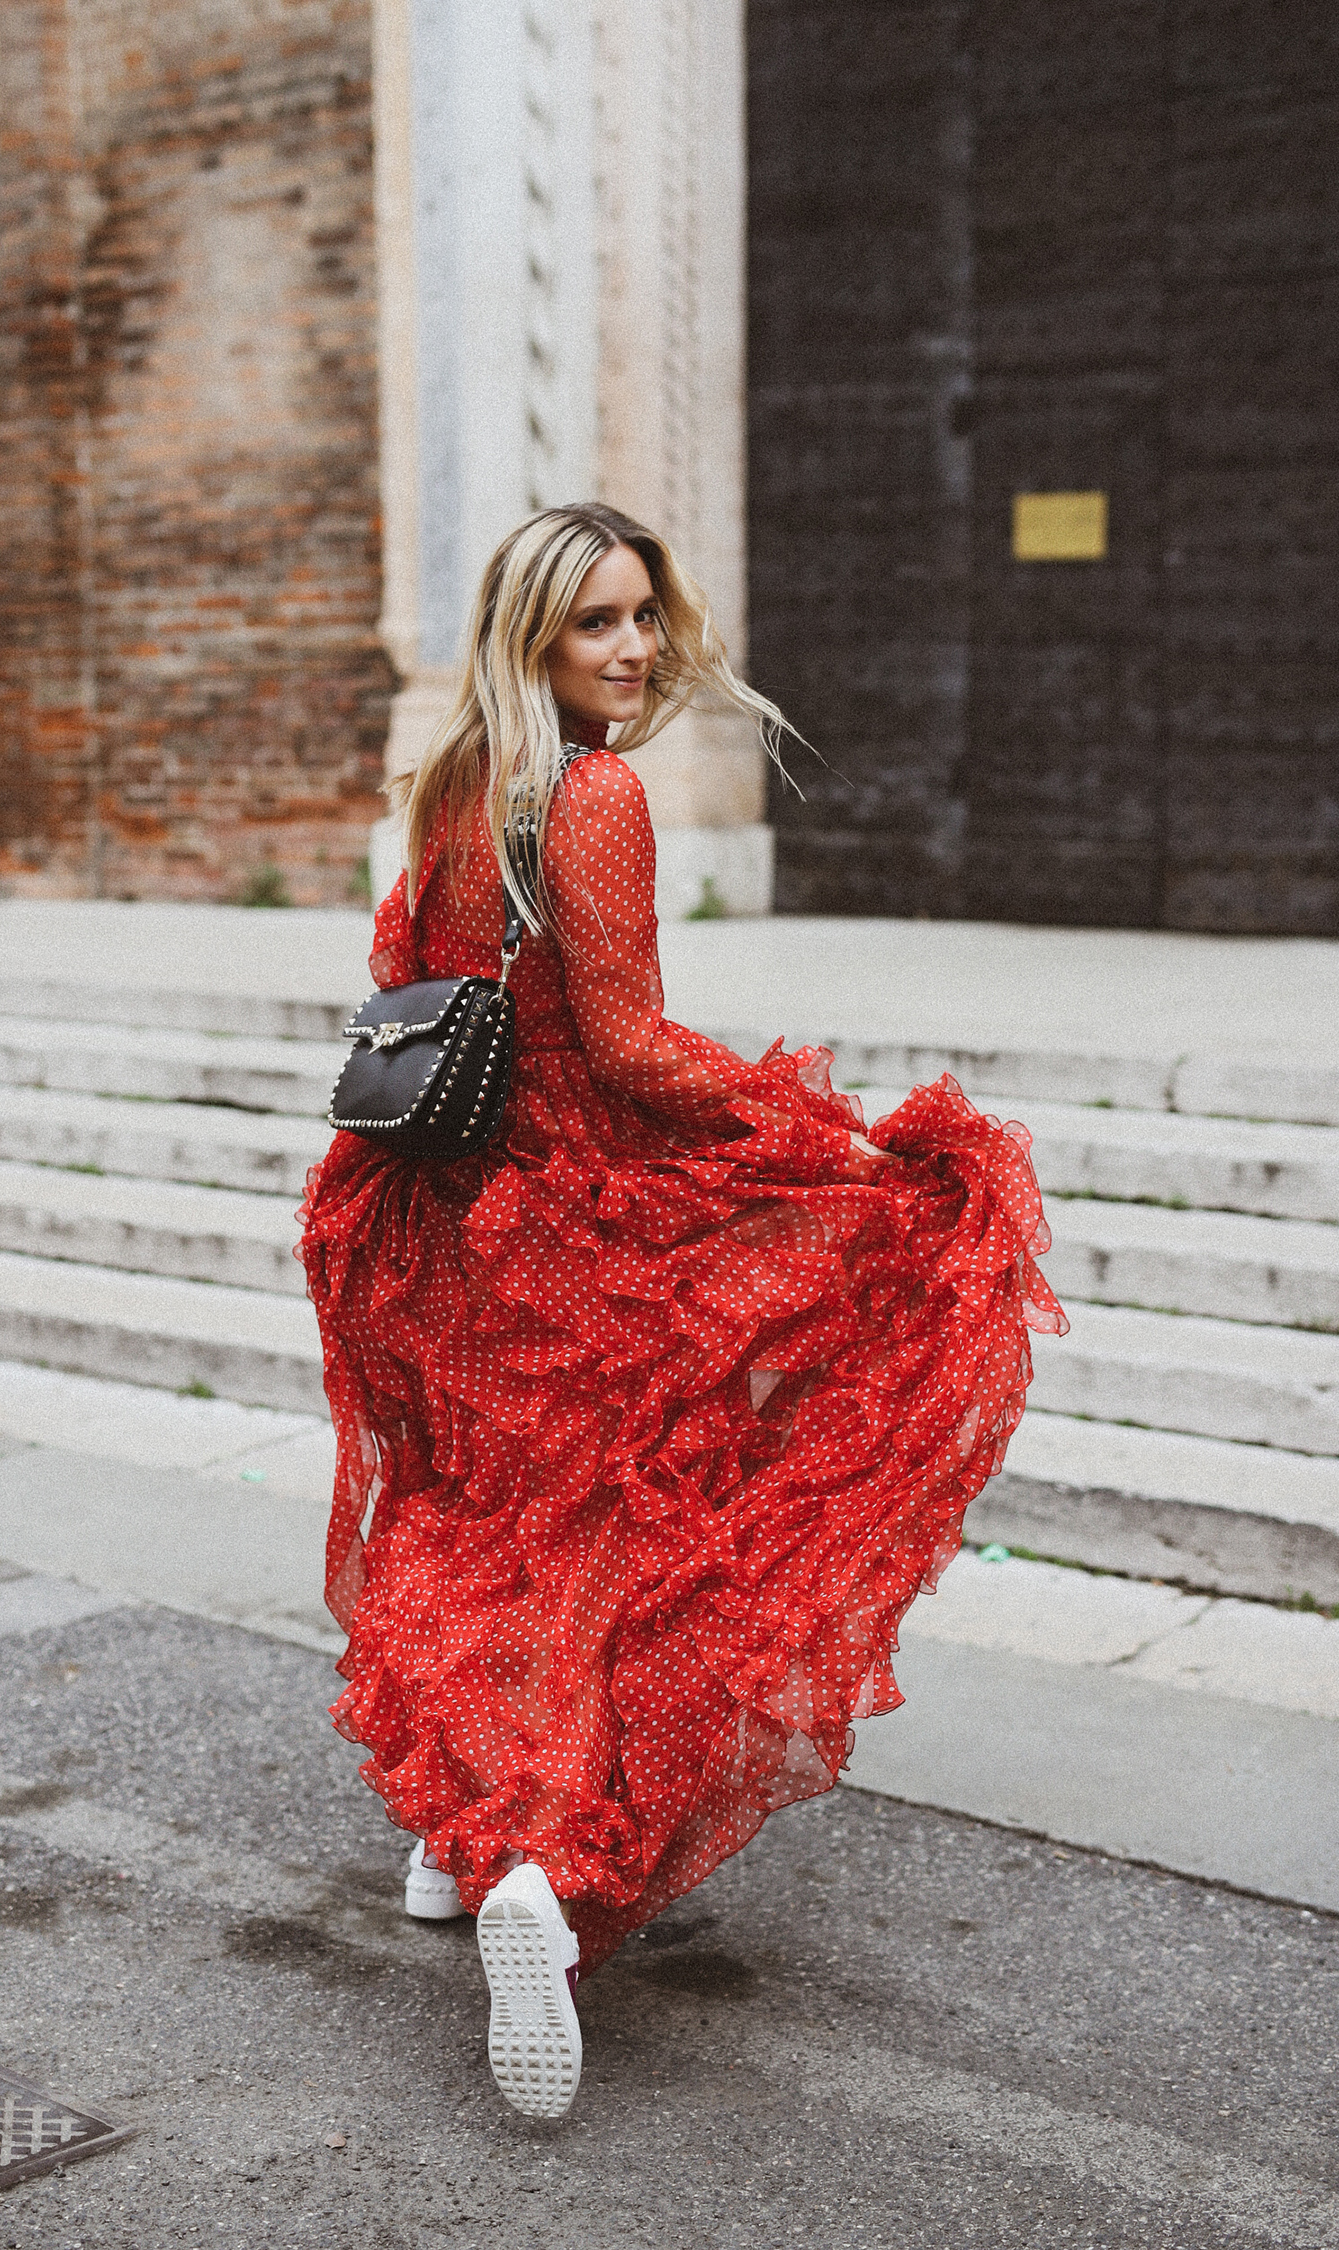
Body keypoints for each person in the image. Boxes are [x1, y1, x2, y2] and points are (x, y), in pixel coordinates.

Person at [300, 502, 1065, 2120]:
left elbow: (405, 979)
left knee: (467, 1512)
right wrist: (818, 1129)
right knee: (599, 1545)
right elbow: (634, 1045)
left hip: (435, 1223)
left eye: (644, 614)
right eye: (596, 624)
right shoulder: (593, 791)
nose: (636, 649)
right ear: (533, 639)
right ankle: (528, 1864)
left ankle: (450, 1849)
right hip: (569, 1233)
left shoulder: (447, 788)